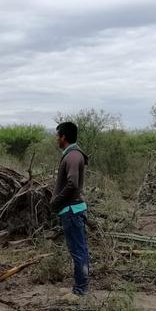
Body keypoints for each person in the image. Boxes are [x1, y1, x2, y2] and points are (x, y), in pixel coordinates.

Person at [50, 121, 90, 297]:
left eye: (57, 135)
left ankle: (80, 292)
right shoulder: (73, 154)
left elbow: (72, 183)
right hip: (72, 210)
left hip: (71, 210)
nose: (56, 139)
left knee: (78, 250)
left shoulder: (72, 156)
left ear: (63, 137)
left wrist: (56, 201)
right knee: (78, 249)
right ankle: (79, 288)